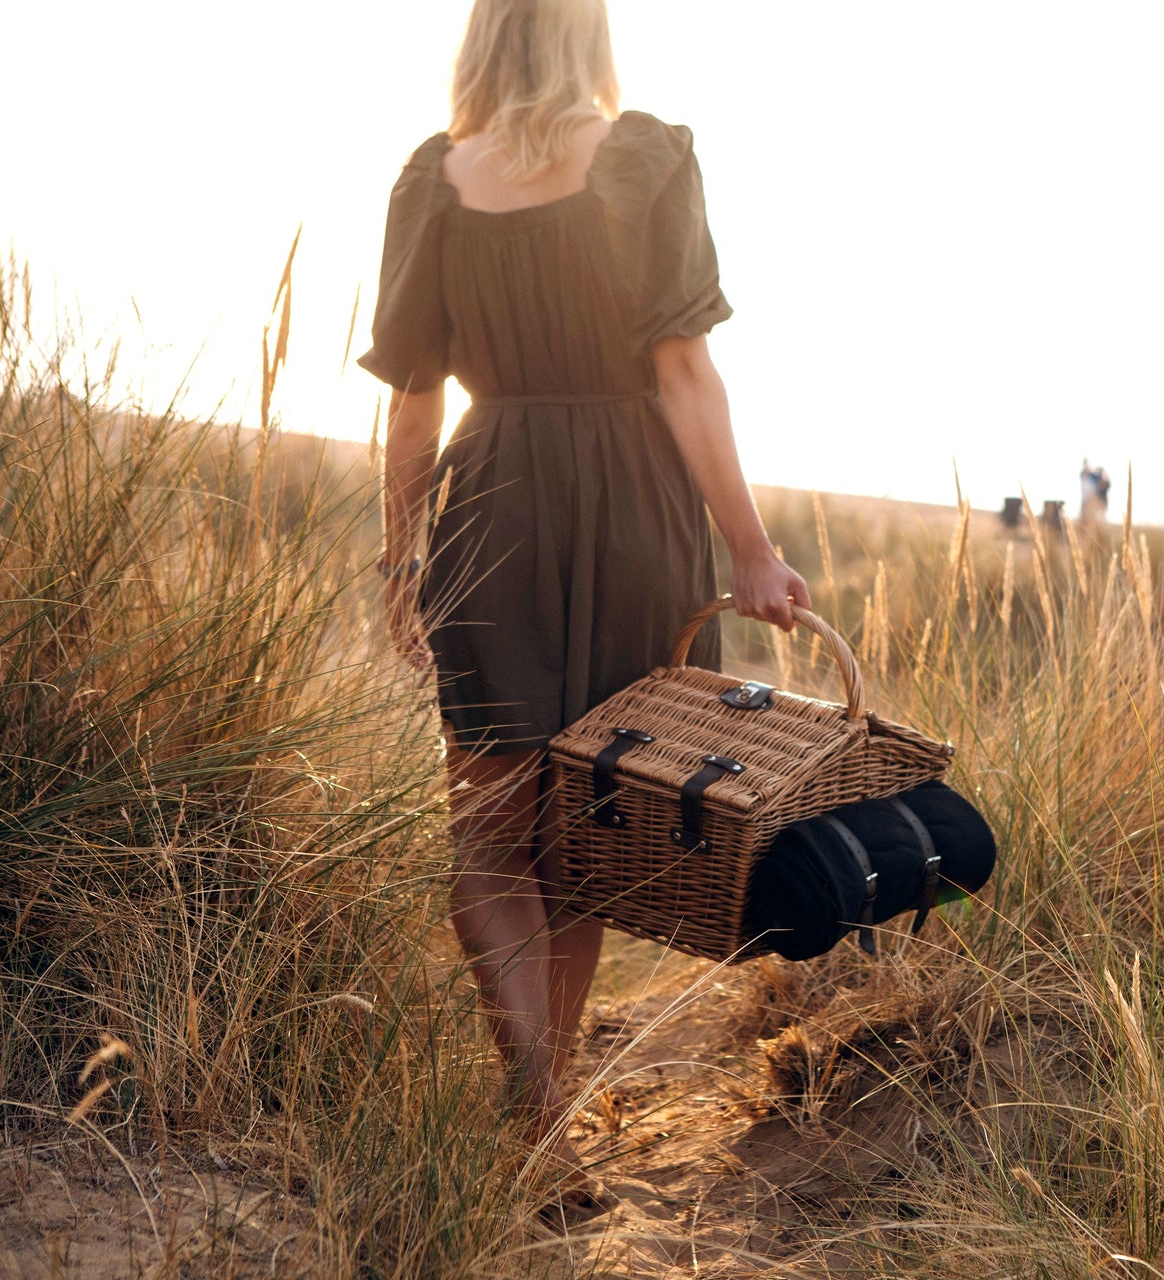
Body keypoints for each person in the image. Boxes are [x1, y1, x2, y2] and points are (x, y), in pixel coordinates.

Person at [360, 0, 808, 1216]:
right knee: (583, 832)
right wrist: (752, 550)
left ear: (482, 38)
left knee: (494, 832)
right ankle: (546, 1112)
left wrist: (402, 562)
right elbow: (683, 373)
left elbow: (411, 407)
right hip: (636, 517)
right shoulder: (644, 157)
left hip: (492, 503)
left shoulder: (433, 183)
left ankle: (538, 1108)